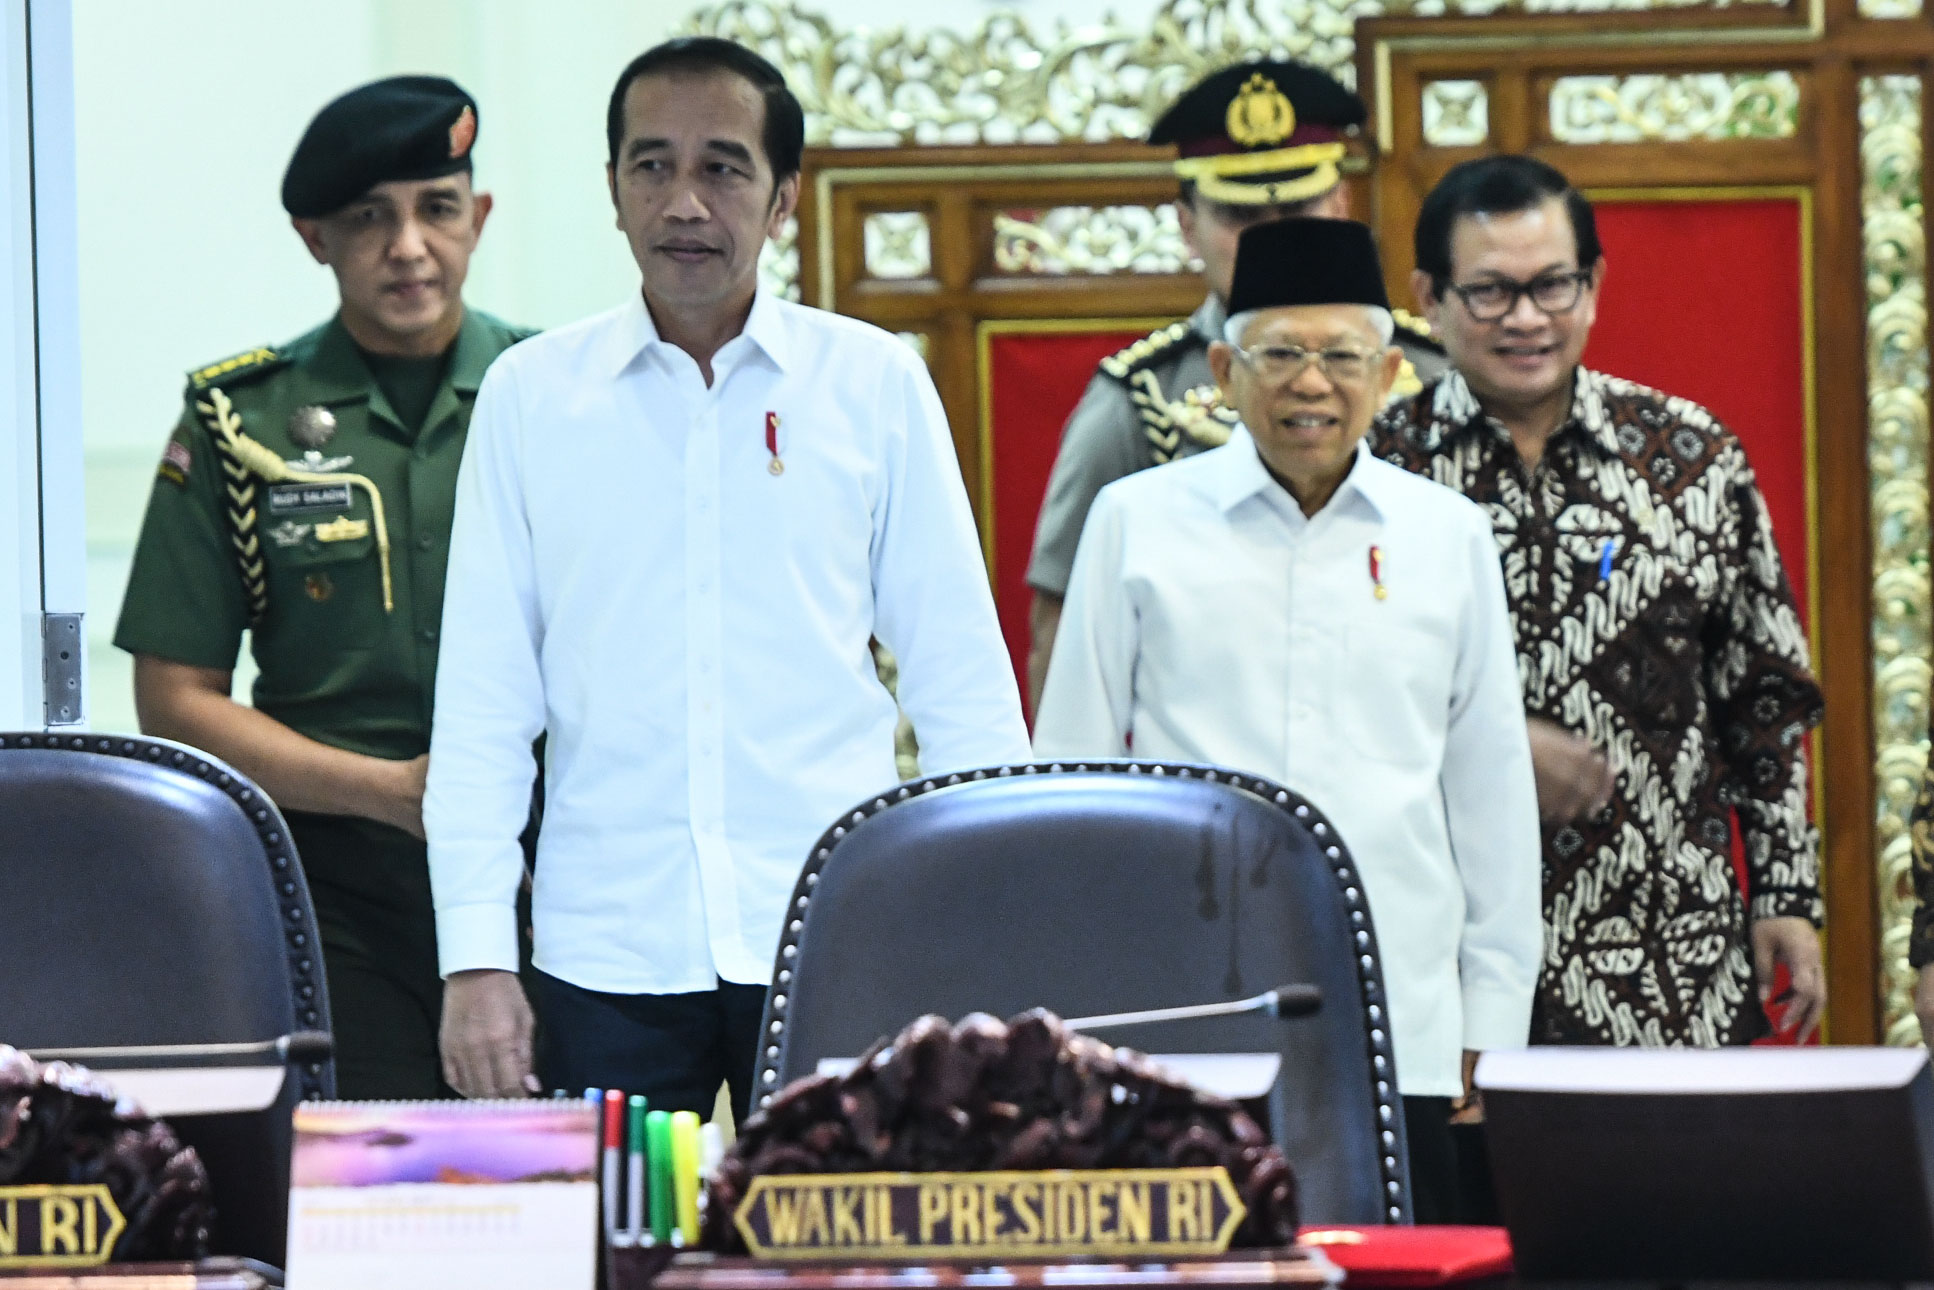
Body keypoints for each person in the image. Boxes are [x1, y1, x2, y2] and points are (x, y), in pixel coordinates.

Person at [426, 38, 1030, 1115]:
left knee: (844, 1262)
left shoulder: (872, 384)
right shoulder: (531, 399)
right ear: (611, 192)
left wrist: (978, 930)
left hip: (837, 931)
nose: (686, 203)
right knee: (599, 1260)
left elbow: (959, 681)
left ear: (783, 196)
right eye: (651, 166)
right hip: (603, 948)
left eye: (723, 167)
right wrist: (476, 959)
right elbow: (482, 706)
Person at [1032, 218, 1541, 1223]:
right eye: (1278, 355)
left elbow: (1486, 792)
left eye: (1341, 357)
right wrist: (1074, 1004)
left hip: (1404, 1007)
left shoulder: (1446, 538)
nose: (1310, 384)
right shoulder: (1136, 522)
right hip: (1178, 1004)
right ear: (1223, 369)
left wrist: (1494, 1016)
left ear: (1389, 371)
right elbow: (1069, 781)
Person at [114, 77, 534, 1098]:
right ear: (316, 238)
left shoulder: (555, 393)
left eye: (435, 208)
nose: (406, 246)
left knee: (572, 1192)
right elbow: (177, 698)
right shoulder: (240, 419)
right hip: (334, 891)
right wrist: (393, 794)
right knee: (382, 1194)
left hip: (554, 878)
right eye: (366, 218)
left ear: (476, 220)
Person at [1372, 155, 1827, 1048]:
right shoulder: (1377, 474)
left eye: (1553, 285)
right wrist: (1492, 748)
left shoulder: (1695, 460)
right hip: (1442, 972)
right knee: (1460, 1194)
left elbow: (1764, 698)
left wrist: (1786, 895)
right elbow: (1331, 706)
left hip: (1669, 965)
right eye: (1491, 293)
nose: (1529, 319)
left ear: (1595, 283)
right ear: (1429, 296)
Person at [1023, 59, 1446, 710]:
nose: (1273, 235)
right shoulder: (1138, 400)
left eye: (1299, 205)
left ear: (1340, 203)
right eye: (1240, 214)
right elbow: (1063, 628)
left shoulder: (1433, 372)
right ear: (1188, 226)